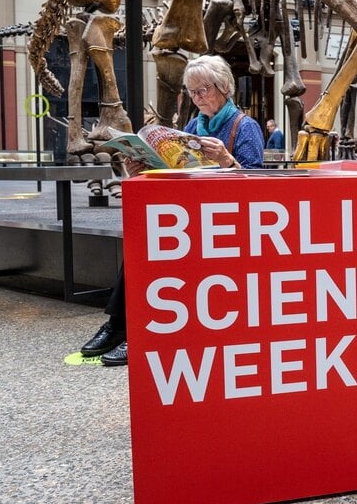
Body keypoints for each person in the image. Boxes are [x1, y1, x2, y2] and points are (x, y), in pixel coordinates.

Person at [78, 54, 264, 366]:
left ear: (225, 88)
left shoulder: (245, 127)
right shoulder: (193, 125)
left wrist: (227, 161)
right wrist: (142, 169)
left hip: (227, 225)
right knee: (143, 246)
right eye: (193, 92)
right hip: (193, 217)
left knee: (162, 251)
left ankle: (142, 334)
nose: (198, 98)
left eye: (204, 90)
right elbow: (176, 174)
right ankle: (118, 325)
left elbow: (257, 185)